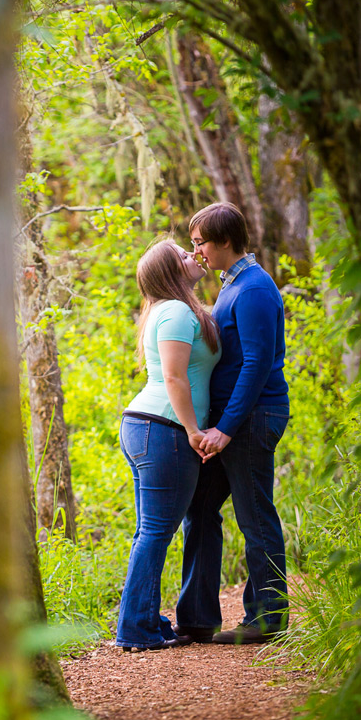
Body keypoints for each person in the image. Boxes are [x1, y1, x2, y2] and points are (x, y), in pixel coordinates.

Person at [174, 202, 291, 645]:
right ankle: (198, 618)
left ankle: (267, 619)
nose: (197, 250)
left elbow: (258, 363)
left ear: (224, 241)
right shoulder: (232, 287)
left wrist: (225, 428)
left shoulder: (256, 289)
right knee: (200, 509)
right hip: (227, 422)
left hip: (252, 418)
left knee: (255, 515)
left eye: (201, 241)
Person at [115, 238, 221, 652]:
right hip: (164, 428)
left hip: (148, 427)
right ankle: (135, 628)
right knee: (156, 531)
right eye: (182, 254)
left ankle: (141, 619)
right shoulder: (176, 311)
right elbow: (175, 379)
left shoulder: (172, 310)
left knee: (150, 531)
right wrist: (194, 431)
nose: (191, 256)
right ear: (170, 271)